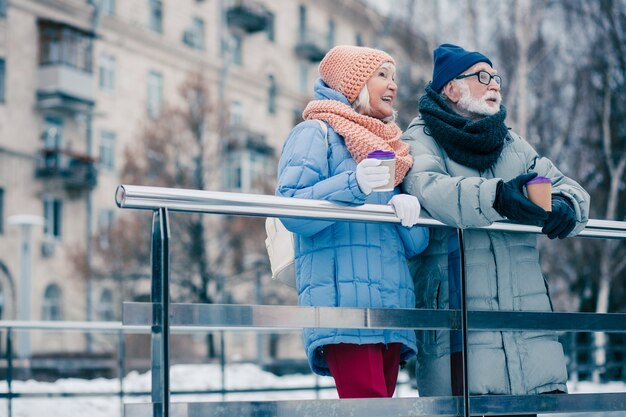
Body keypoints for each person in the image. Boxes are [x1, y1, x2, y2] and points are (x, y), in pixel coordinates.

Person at [401, 44, 590, 415]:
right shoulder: (420, 138)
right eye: (482, 77)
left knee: (523, 407)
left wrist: (568, 205)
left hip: (521, 311)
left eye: (496, 78)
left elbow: (566, 185)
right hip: (460, 312)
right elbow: (428, 187)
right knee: (468, 405)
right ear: (451, 89)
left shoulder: (510, 143)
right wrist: (498, 196)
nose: (495, 86)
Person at [276, 45, 429, 399]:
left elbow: (416, 246)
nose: (393, 86)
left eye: (394, 77)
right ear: (353, 82)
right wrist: (354, 184)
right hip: (344, 308)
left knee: (380, 408)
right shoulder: (316, 132)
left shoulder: (393, 148)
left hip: (391, 309)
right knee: (369, 408)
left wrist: (407, 212)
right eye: (382, 75)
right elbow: (291, 208)